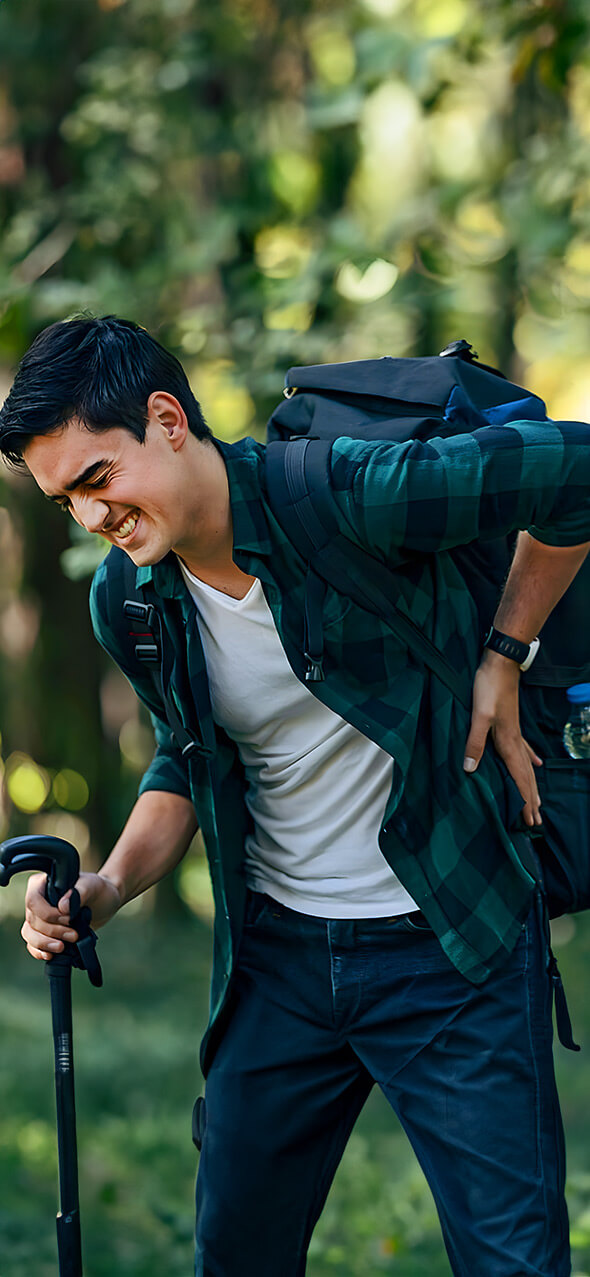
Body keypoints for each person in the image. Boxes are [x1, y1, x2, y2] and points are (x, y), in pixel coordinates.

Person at [1, 315, 589, 1277]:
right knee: (235, 1258)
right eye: (67, 500)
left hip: (452, 944)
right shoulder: (132, 599)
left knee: (515, 1264)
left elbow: (578, 470)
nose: (93, 518)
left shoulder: (352, 496)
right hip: (278, 964)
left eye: (99, 479)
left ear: (167, 418)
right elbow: (189, 758)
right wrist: (104, 888)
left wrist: (505, 651)